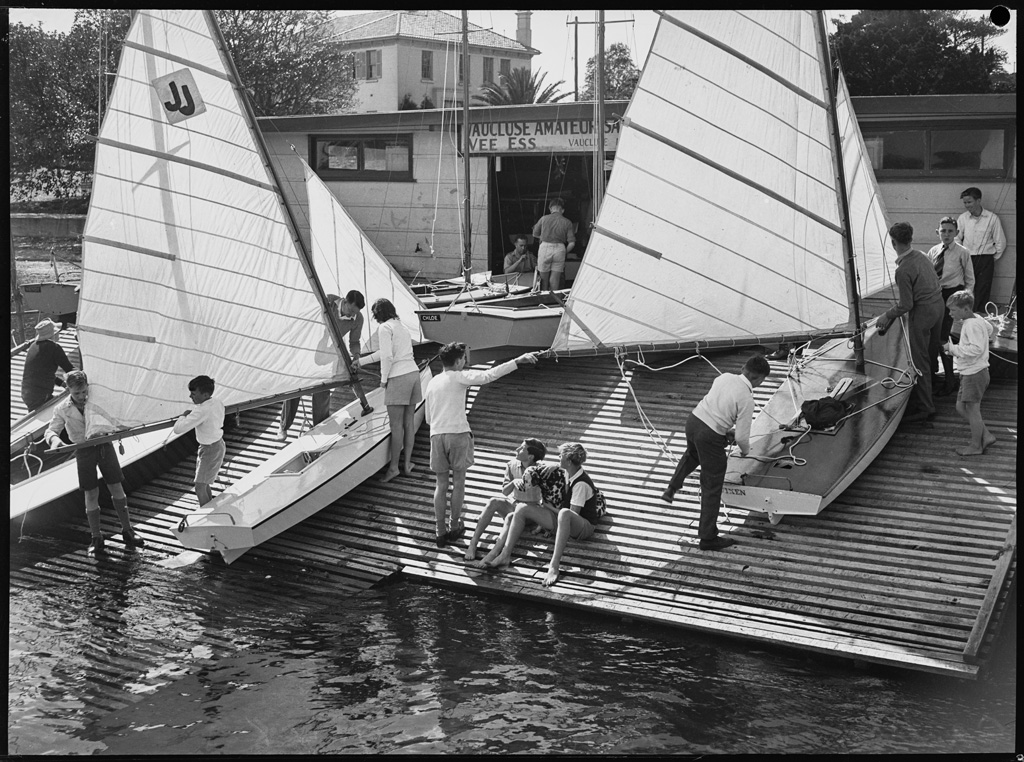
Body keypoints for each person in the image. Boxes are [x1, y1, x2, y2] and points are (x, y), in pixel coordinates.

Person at [425, 342, 538, 546]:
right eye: (464, 360)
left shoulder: (432, 382)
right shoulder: (460, 376)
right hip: (457, 433)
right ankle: (455, 525)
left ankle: (439, 530)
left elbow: (427, 418)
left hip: (436, 435)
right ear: (458, 361)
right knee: (458, 482)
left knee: (441, 485)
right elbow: (488, 375)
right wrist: (517, 360)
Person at [661, 354, 771, 551]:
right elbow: (742, 438)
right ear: (760, 379)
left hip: (693, 421)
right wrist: (745, 452)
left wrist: (724, 430)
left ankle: (672, 487)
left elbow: (717, 411)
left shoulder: (724, 377)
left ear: (744, 368)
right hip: (709, 436)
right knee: (712, 486)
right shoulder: (747, 399)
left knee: (693, 453)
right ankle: (708, 537)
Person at [44, 370, 145, 557]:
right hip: (84, 451)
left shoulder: (97, 400)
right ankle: (96, 537)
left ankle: (128, 530)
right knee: (91, 493)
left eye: (84, 392)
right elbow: (51, 431)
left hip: (104, 446)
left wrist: (127, 425)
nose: (82, 397)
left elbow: (116, 418)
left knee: (117, 487)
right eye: (77, 393)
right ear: (69, 390)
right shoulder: (62, 409)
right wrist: (56, 441)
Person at [479, 443, 601, 587]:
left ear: (568, 461)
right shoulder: (570, 470)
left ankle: (554, 566)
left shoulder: (581, 484)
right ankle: (505, 555)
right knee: (521, 508)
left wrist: (547, 506)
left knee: (564, 512)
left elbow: (573, 515)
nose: (558, 458)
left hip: (583, 527)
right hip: (563, 520)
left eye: (560, 456)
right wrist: (555, 465)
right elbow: (557, 464)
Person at [875, 222, 945, 424]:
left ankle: (926, 406)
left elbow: (906, 304)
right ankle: (928, 390)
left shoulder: (903, 269)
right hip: (938, 306)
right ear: (911, 239)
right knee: (930, 352)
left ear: (893, 242)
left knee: (918, 360)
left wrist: (887, 315)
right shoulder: (922, 256)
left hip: (923, 313)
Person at [277, 291, 365, 441]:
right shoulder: (328, 301)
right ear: (344, 301)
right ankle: (283, 426)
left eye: (355, 313)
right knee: (296, 387)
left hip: (328, 353)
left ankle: (320, 425)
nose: (352, 315)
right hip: (307, 347)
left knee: (323, 389)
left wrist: (356, 357)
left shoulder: (358, 318)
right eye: (350, 310)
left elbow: (354, 342)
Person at [360, 297, 421, 482]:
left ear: (378, 315)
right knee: (408, 423)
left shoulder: (384, 328)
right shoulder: (401, 326)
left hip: (398, 377)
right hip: (413, 373)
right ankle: (407, 464)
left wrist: (384, 380)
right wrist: (361, 361)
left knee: (396, 427)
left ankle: (393, 468)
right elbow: (386, 352)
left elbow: (386, 356)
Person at [464, 437, 547, 562]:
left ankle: (494, 553)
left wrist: (543, 522)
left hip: (530, 511)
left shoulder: (541, 470)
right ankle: (473, 542)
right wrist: (513, 482)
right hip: (513, 504)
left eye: (522, 448)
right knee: (493, 501)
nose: (517, 449)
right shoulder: (511, 465)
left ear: (530, 456)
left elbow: (548, 496)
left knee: (513, 515)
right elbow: (505, 491)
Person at [943, 290, 997, 457]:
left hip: (975, 374)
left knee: (973, 410)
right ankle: (986, 435)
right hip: (972, 372)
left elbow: (976, 348)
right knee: (960, 407)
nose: (950, 313)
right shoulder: (978, 319)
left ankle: (976, 446)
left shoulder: (970, 324)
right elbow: (991, 329)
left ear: (966, 309)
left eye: (953, 310)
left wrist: (952, 349)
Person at [927, 217, 975, 398]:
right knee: (935, 336)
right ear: (937, 232)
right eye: (943, 231)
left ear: (956, 233)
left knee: (942, 337)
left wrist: (967, 303)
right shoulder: (933, 251)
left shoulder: (962, 252)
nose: (946, 234)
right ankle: (936, 375)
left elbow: (970, 278)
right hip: (935, 296)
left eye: (950, 231)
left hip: (952, 295)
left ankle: (950, 380)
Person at [173, 375, 226, 506]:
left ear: (205, 394)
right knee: (204, 483)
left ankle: (208, 515)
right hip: (215, 445)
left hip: (210, 449)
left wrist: (183, 416)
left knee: (199, 486)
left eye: (193, 394)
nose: (190, 397)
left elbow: (178, 429)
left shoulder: (202, 410)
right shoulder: (217, 401)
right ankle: (211, 509)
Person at [956, 187, 1006, 314]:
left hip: (986, 260)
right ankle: (965, 315)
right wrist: (963, 255)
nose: (967, 205)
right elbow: (957, 239)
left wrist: (990, 258)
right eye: (965, 203)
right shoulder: (963, 218)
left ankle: (979, 316)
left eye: (969, 202)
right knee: (967, 287)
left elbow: (1000, 243)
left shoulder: (992, 218)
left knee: (983, 289)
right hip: (968, 258)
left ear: (978, 201)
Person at [21, 318, 75, 411]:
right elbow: (70, 370)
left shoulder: (33, 346)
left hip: (27, 395)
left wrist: (62, 383)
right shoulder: (54, 348)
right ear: (53, 334)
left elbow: (42, 372)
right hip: (41, 396)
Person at [531, 198, 575, 292]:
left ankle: (544, 299)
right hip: (560, 248)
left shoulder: (543, 219)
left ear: (550, 209)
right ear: (562, 210)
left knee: (543, 279)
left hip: (545, 246)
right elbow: (572, 243)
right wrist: (564, 252)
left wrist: (543, 237)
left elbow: (534, 233)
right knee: (555, 279)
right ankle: (552, 300)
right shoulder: (567, 222)